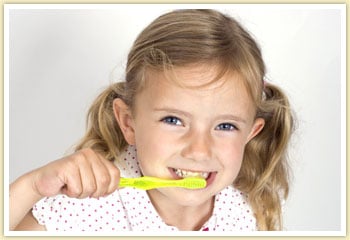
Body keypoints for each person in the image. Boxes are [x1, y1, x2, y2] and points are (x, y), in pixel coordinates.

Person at [9, 9, 294, 232]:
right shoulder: (86, 209)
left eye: (225, 126)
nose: (199, 150)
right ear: (128, 123)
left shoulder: (244, 210)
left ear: (251, 133)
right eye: (173, 120)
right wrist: (30, 187)